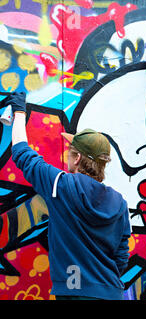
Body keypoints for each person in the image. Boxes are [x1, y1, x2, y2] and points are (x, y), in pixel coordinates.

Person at [4, 92, 131, 300]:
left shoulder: (61, 185)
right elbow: (121, 256)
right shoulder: (120, 202)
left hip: (74, 292)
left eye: (70, 152)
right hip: (112, 292)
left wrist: (19, 112)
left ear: (78, 157)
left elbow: (21, 152)